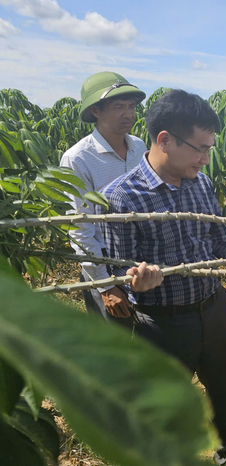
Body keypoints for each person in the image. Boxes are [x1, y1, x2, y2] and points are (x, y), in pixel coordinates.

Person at [99, 89, 226, 465]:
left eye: (209, 149)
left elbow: (221, 242)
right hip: (162, 325)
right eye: (199, 149)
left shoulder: (201, 185)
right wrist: (135, 285)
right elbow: (120, 269)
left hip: (214, 312)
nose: (206, 159)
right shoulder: (122, 198)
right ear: (165, 140)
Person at [60, 71, 147, 326]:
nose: (128, 114)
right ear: (96, 111)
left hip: (141, 255)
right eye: (118, 106)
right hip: (105, 259)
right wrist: (105, 286)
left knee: (149, 339)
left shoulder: (139, 147)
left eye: (131, 106)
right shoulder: (78, 158)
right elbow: (80, 228)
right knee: (116, 341)